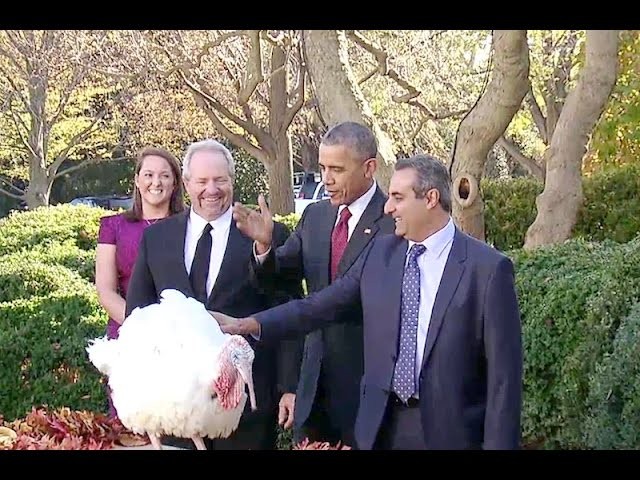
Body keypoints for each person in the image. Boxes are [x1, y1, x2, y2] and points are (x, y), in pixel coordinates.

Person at [216, 154, 523, 450]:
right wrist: (252, 324)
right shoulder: (381, 254)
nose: (388, 208)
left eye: (398, 198)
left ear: (430, 199)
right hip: (381, 427)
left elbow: (504, 381)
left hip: (452, 432)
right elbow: (320, 306)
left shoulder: (488, 269)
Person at [125, 139, 303, 450]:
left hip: (245, 405)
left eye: (220, 180)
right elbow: (137, 315)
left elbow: (287, 311)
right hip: (175, 405)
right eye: (203, 181)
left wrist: (289, 386)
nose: (212, 189)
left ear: (232, 182)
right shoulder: (157, 238)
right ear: (187, 183)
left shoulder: (266, 233)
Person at [232, 121, 395, 447]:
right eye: (322, 168)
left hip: (369, 385)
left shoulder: (394, 220)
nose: (327, 180)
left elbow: (351, 298)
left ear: (369, 168)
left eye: (337, 169)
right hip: (315, 385)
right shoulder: (316, 216)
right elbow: (281, 280)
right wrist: (265, 248)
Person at [95, 146, 185, 418]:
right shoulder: (113, 227)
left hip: (182, 339)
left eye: (164, 176)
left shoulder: (189, 225)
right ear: (136, 179)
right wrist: (140, 328)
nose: (155, 182)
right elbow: (105, 290)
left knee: (178, 421)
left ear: (176, 182)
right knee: (132, 423)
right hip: (129, 336)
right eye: (148, 174)